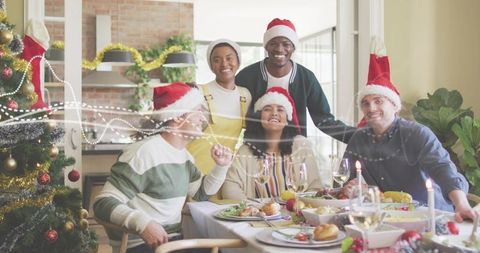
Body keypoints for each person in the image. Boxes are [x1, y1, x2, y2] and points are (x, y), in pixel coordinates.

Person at [343, 39, 474, 222]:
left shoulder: (417, 134)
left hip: (432, 216)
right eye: (366, 103)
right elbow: (346, 178)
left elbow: (444, 170)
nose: (371, 108)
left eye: (379, 101)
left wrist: (461, 204)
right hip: (388, 218)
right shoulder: (359, 138)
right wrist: (350, 188)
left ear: (394, 106)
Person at [93, 82, 233, 253]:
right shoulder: (144, 152)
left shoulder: (184, 157)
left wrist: (221, 166)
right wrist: (144, 224)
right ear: (178, 116)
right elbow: (102, 204)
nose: (202, 118)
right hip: (141, 245)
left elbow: (200, 194)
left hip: (172, 243)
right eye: (197, 111)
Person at [235, 18, 355, 142]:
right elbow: (231, 114)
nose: (279, 49)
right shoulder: (246, 76)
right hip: (256, 149)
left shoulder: (306, 78)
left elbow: (324, 121)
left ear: (293, 47)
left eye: (286, 44)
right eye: (273, 43)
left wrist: (359, 137)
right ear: (266, 47)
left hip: (294, 150)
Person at [222, 87, 327, 200]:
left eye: (280, 110)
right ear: (259, 116)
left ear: (287, 119)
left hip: (297, 214)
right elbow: (229, 188)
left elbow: (315, 187)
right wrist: (253, 208)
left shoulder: (301, 144)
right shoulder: (246, 149)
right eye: (267, 109)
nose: (274, 113)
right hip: (261, 215)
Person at [187, 39, 251, 175]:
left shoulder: (245, 95)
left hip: (223, 172)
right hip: (192, 170)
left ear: (238, 62)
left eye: (229, 58)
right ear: (211, 66)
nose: (224, 64)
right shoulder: (199, 91)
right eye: (217, 60)